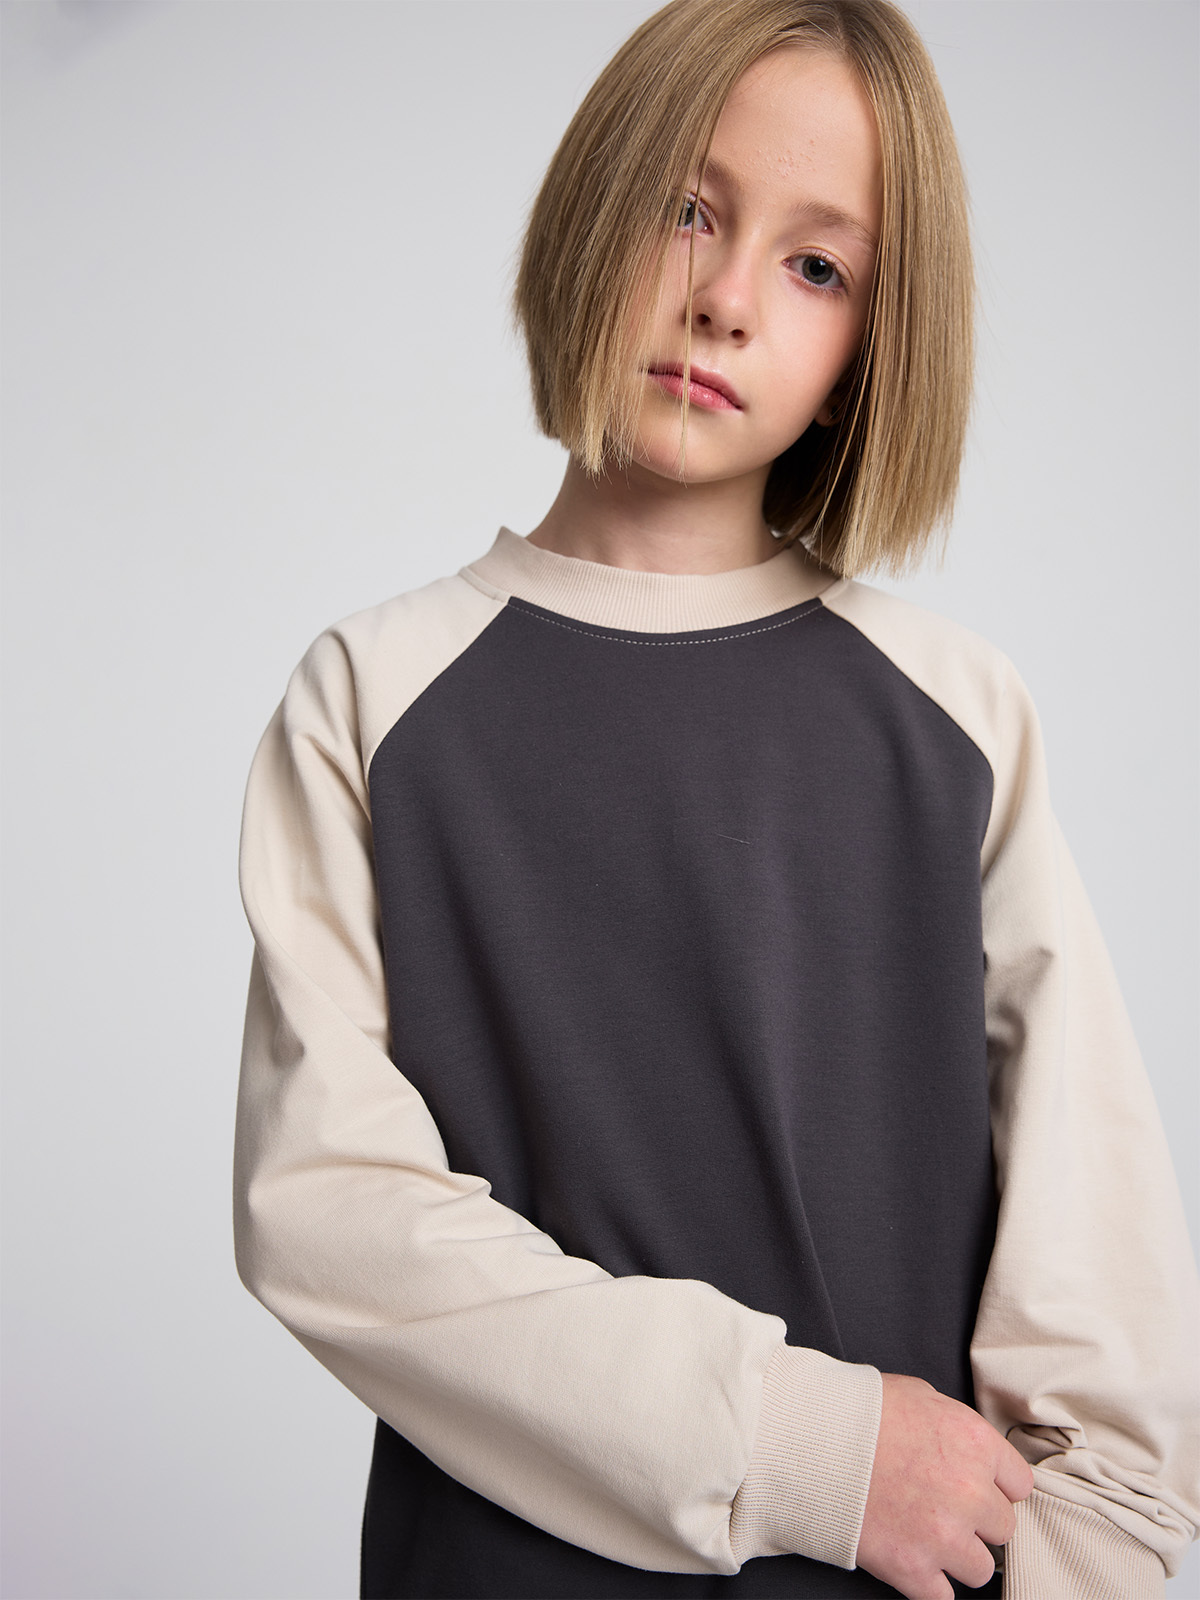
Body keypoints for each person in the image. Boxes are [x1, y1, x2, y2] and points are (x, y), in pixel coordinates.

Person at [232, 2, 1199, 1596]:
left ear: (876, 342)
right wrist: (805, 1445)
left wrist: (1074, 1558)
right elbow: (330, 1212)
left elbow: (1096, 1291)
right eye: (689, 207)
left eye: (818, 266)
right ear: (595, 203)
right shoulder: (374, 697)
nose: (728, 298)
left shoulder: (952, 715)